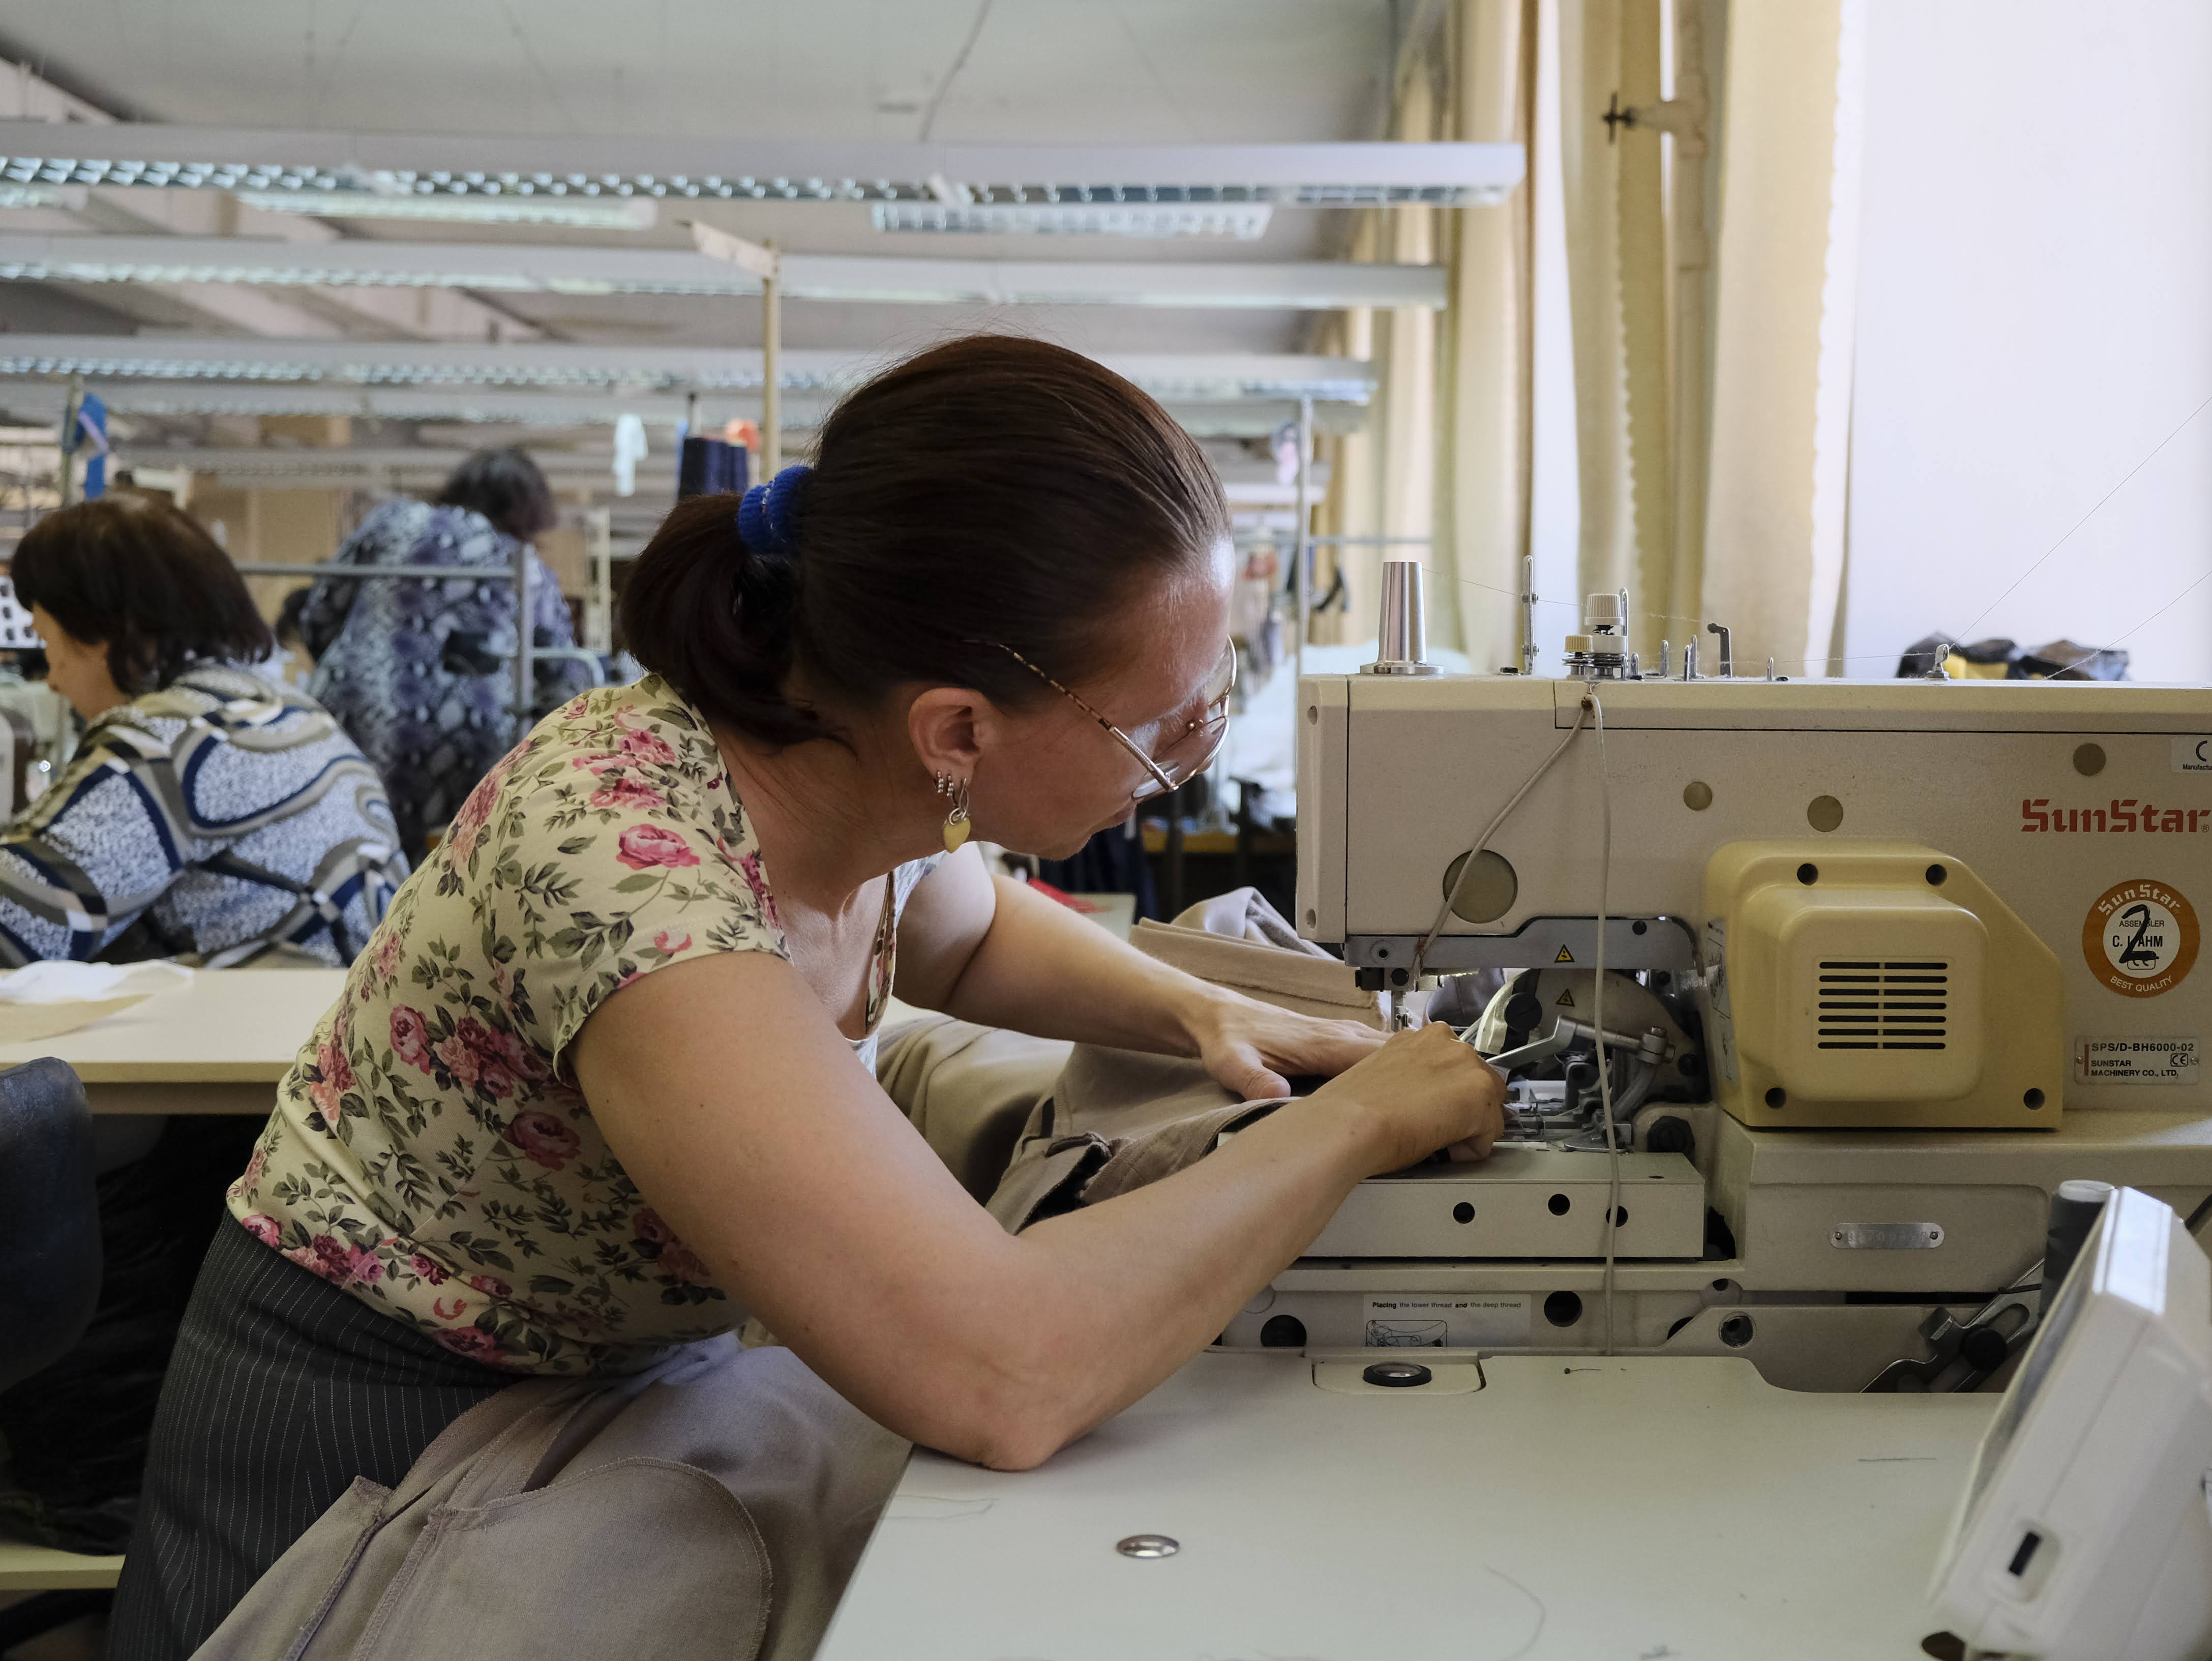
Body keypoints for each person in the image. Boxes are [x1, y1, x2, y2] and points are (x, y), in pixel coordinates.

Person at [107, 336, 1504, 1660]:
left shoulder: (846, 763)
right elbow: (1003, 1375)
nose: (1191, 756)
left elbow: (966, 931)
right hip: (383, 1455)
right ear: (957, 729)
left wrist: (1198, 1011)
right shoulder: (632, 876)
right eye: (1162, 725)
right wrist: (1356, 1123)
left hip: (612, 1378)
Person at [0, 495, 405, 967]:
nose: (51, 679)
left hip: (272, 1012)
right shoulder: (287, 709)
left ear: (103, 631)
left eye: (48, 642)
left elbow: (19, 931)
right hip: (350, 1000)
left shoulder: (169, 737)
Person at [300, 446, 593, 862]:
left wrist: (357, 663)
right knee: (438, 865)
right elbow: (561, 669)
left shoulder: (391, 520)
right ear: (527, 512)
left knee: (345, 848)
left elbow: (318, 614)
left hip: (352, 713)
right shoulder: (518, 561)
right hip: (460, 738)